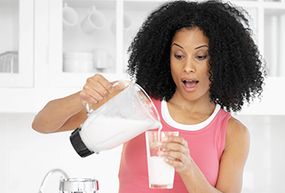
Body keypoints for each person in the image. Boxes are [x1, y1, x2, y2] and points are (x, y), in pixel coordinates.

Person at [32, 0, 265, 192]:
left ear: (222, 60)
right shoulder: (138, 106)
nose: (188, 67)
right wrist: (81, 97)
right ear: (166, 56)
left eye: (201, 56)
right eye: (178, 55)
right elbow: (42, 124)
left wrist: (188, 168)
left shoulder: (233, 132)